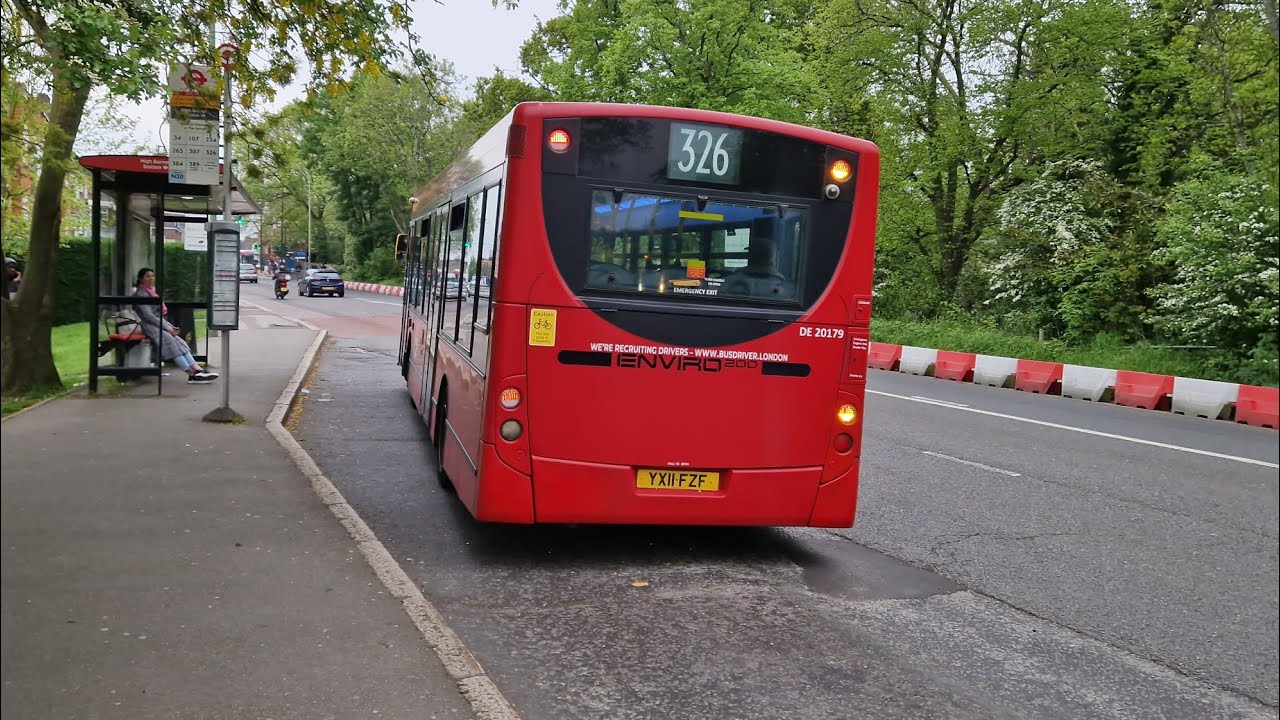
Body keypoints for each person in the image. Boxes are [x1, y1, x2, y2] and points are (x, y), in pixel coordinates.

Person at [133, 268, 218, 383]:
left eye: (152, 276)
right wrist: (167, 328)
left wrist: (170, 327)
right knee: (170, 342)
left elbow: (157, 316)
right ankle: (191, 373)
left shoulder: (150, 291)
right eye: (147, 276)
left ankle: (198, 370)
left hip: (157, 325)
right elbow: (149, 316)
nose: (151, 278)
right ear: (141, 278)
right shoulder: (141, 294)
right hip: (148, 326)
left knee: (180, 342)